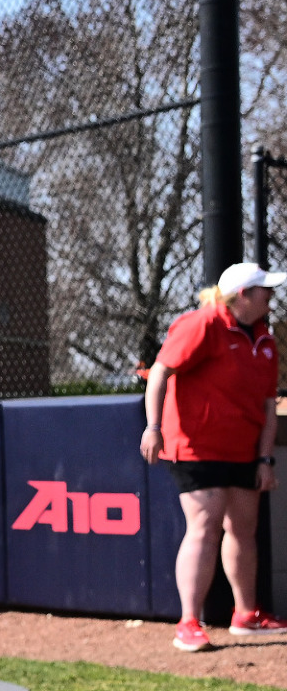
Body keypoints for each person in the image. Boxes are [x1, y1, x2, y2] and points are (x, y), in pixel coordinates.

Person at [141, 262, 287, 651]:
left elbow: (268, 407)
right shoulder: (202, 324)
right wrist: (153, 427)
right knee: (204, 525)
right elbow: (160, 372)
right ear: (244, 295)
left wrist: (265, 459)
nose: (271, 297)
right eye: (264, 290)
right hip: (196, 447)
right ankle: (188, 622)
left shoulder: (266, 342)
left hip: (244, 450)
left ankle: (246, 615)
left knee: (243, 528)